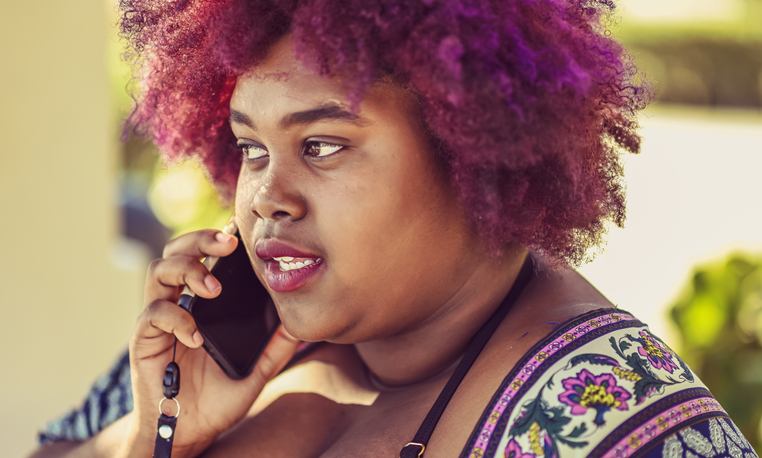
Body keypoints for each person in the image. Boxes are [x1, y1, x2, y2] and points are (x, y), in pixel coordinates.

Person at [32, 0, 758, 457]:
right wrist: (149, 438)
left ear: (473, 147)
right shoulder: (228, 330)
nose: (265, 200)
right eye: (252, 150)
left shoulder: (614, 420)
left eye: (321, 145)